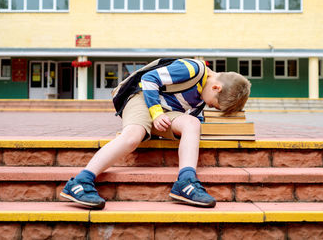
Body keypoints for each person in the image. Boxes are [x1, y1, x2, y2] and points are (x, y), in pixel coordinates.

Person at [60, 58, 251, 209]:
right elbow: (149, 79)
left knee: (192, 123)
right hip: (142, 98)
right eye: (213, 104)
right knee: (133, 136)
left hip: (165, 112)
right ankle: (80, 182)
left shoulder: (205, 93)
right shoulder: (192, 68)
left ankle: (185, 182)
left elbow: (188, 115)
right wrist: (156, 112)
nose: (209, 106)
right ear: (216, 87)